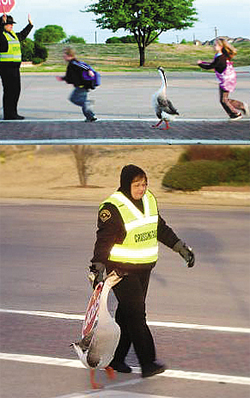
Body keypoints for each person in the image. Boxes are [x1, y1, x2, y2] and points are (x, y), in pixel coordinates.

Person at [89, 164, 195, 378]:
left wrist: (181, 248)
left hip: (144, 268)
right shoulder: (113, 207)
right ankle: (148, 363)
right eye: (137, 185)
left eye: (144, 184)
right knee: (137, 315)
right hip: (121, 269)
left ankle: (117, 359)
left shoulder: (149, 200)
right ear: (126, 184)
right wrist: (97, 267)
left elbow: (159, 228)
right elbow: (104, 240)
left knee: (127, 314)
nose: (141, 188)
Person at [197, 38, 249, 121]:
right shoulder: (220, 56)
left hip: (226, 80)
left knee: (223, 100)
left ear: (221, 46)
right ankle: (241, 105)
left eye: (215, 45)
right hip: (225, 79)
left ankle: (235, 114)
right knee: (225, 99)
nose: (213, 47)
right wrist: (203, 63)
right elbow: (213, 64)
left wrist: (200, 64)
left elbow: (211, 66)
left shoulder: (220, 58)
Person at [0, 13, 33, 120]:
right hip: (5, 68)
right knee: (9, 91)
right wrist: (1, 24)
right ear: (3, 24)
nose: (11, 26)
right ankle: (8, 114)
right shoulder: (1, 35)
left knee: (15, 90)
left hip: (15, 68)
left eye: (12, 24)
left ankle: (13, 113)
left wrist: (30, 25)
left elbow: (22, 35)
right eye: (9, 24)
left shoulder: (13, 35)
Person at [56, 47, 97, 122]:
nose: (63, 57)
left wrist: (89, 70)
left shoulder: (74, 63)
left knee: (74, 99)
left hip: (82, 86)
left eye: (64, 55)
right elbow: (70, 76)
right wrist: (62, 78)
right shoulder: (72, 64)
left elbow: (84, 66)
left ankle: (88, 106)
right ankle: (90, 117)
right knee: (83, 102)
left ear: (69, 55)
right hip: (82, 86)